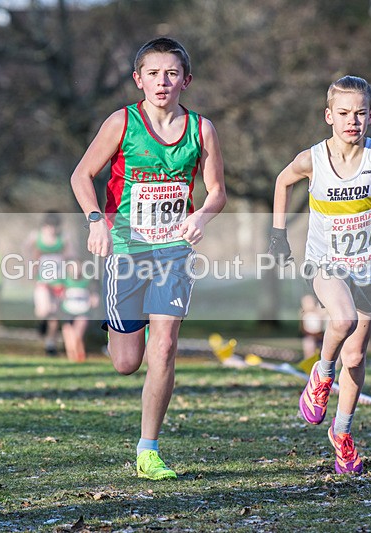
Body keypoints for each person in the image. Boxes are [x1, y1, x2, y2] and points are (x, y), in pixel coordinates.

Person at [70, 37, 226, 480]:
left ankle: (148, 449)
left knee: (166, 346)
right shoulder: (122, 122)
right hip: (126, 250)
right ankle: (117, 335)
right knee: (126, 363)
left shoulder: (202, 130)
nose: (163, 81)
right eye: (154, 73)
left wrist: (202, 215)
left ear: (186, 81)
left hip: (174, 252)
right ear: (138, 79)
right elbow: (81, 175)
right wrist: (96, 220)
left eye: (172, 73)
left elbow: (217, 192)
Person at [269, 76, 371, 474]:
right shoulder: (313, 158)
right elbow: (282, 181)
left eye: (359, 113)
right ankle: (320, 376)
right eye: (343, 113)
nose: (351, 120)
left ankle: (341, 433)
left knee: (355, 355)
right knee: (342, 319)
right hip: (325, 261)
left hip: (368, 267)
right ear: (329, 116)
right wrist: (277, 233)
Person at [24, 212, 74, 357]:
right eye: (48, 227)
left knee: (55, 313)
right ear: (44, 226)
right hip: (43, 280)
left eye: (54, 227)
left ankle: (50, 344)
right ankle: (42, 324)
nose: (51, 230)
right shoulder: (36, 236)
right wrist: (32, 262)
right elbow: (26, 249)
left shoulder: (64, 238)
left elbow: (71, 256)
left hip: (59, 281)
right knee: (44, 310)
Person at [59, 264, 99, 363]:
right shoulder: (64, 281)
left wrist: (93, 299)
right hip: (67, 311)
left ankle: (80, 356)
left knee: (77, 335)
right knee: (68, 334)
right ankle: (71, 357)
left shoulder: (88, 281)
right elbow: (58, 293)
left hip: (83, 311)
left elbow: (95, 299)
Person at [299, 294, 327, 360]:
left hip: (320, 336)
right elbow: (302, 328)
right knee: (309, 346)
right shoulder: (304, 314)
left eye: (311, 302)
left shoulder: (319, 312)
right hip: (309, 336)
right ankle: (309, 363)